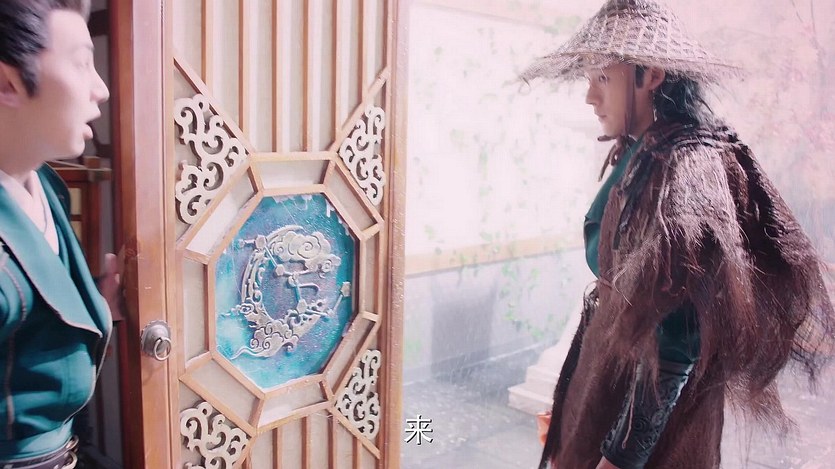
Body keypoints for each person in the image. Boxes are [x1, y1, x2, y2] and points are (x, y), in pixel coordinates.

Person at [521, 0, 835, 468]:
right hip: (611, 380)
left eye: (602, 78)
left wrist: (621, 458)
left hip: (651, 423)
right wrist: (576, 399)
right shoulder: (645, 150)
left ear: (650, 75)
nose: (589, 96)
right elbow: (616, 286)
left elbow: (679, 339)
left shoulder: (688, 170)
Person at [0, 0, 119, 467]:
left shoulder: (45, 184)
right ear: (8, 83)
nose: (101, 89)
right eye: (82, 63)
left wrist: (96, 303)